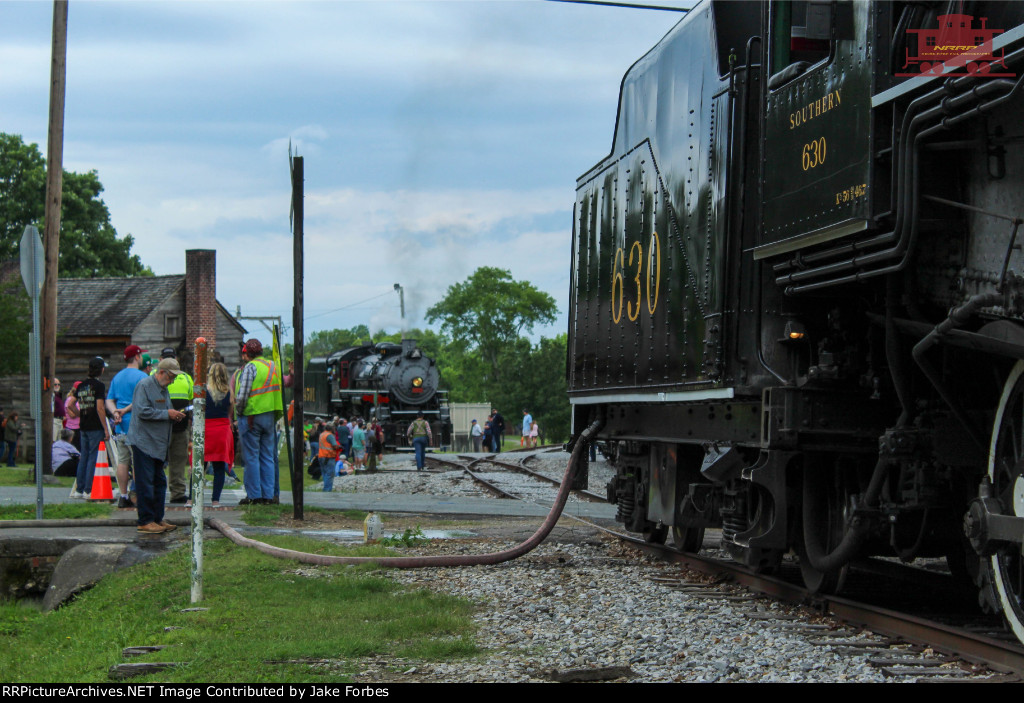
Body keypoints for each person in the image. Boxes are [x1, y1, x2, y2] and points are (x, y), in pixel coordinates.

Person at [128, 357, 187, 533]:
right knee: (145, 483)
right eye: (171, 377)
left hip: (158, 444)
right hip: (144, 442)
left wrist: (173, 415)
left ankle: (157, 518)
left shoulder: (163, 389)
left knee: (159, 482)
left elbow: (161, 411)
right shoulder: (145, 386)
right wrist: (167, 414)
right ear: (161, 372)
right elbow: (142, 411)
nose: (173, 381)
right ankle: (145, 520)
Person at [234, 338, 283, 505]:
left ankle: (254, 495)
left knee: (251, 457)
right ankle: (269, 495)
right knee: (268, 456)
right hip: (270, 416)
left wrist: (238, 412)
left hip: (251, 416)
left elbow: (243, 395)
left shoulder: (250, 367)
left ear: (247, 353)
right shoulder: (272, 366)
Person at [106, 344, 149, 508]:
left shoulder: (117, 377)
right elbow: (141, 400)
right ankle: (138, 495)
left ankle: (123, 496)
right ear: (137, 357)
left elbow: (110, 399)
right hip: (136, 424)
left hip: (120, 426)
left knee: (123, 461)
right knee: (138, 461)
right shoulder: (141, 377)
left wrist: (115, 412)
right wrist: (124, 411)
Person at [158, 347, 194, 504]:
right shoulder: (155, 375)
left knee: (179, 459)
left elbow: (192, 399)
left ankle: (178, 492)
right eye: (167, 358)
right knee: (156, 459)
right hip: (160, 426)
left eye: (172, 357)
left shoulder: (186, 377)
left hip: (181, 426)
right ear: (161, 360)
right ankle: (155, 490)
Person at [73, 357, 110, 498]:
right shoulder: (99, 386)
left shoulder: (81, 385)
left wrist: (80, 414)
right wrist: (105, 428)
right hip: (95, 425)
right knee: (93, 457)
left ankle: (79, 489)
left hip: (83, 425)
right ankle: (89, 490)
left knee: (84, 456)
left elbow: (71, 403)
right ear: (100, 369)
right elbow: (100, 408)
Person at [203, 362, 235, 507]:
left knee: (199, 464)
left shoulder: (204, 390)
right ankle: (215, 500)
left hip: (206, 428)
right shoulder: (229, 391)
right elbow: (230, 414)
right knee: (219, 466)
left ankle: (191, 498)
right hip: (222, 430)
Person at [319, 422, 340, 492]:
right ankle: (327, 490)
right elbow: (334, 445)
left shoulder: (322, 434)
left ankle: (325, 488)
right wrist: (339, 447)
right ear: (332, 428)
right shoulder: (330, 435)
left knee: (324, 473)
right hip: (329, 456)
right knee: (330, 474)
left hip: (321, 456)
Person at [65, 382, 81, 451]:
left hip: (80, 427)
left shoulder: (80, 400)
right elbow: (72, 415)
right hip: (72, 428)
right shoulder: (69, 400)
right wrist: (81, 412)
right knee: (73, 448)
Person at [51, 378, 65, 445]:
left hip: (60, 420)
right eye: (55, 384)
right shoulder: (51, 395)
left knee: (60, 441)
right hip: (54, 419)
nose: (57, 386)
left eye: (58, 384)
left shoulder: (58, 395)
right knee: (53, 439)